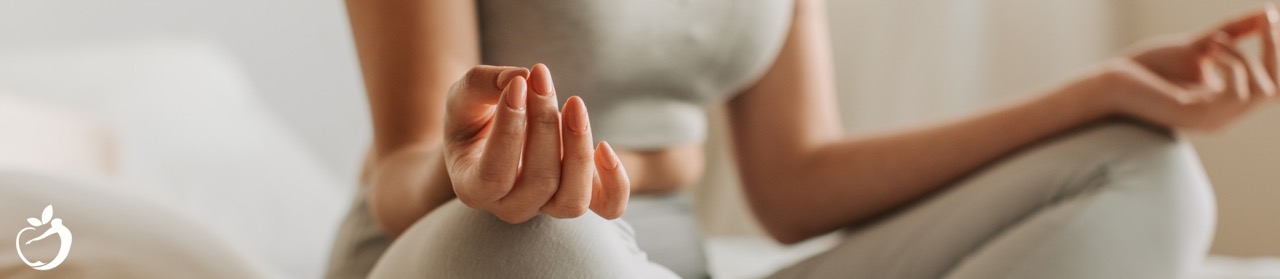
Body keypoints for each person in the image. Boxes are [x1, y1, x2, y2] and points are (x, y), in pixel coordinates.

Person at [326, 0, 1280, 278]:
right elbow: (407, 160)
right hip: (462, 245)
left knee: (1145, 171)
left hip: (665, 261)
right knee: (546, 241)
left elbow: (796, 182)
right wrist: (468, 172)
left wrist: (1102, 93)